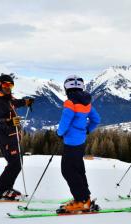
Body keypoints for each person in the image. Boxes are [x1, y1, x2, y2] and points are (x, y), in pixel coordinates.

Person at [56, 75, 100, 213]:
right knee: (78, 169)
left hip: (70, 142)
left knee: (68, 170)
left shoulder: (70, 103)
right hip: (80, 141)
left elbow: (65, 121)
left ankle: (81, 200)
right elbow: (96, 119)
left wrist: (59, 133)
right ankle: (84, 198)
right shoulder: (87, 103)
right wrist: (87, 129)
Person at [0, 74, 34, 200]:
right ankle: (1, 190)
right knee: (14, 164)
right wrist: (8, 122)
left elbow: (14, 103)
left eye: (11, 85)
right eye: (5, 85)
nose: (8, 88)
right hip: (6, 139)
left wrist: (25, 102)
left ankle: (6, 188)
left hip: (13, 138)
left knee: (17, 163)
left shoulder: (6, 99)